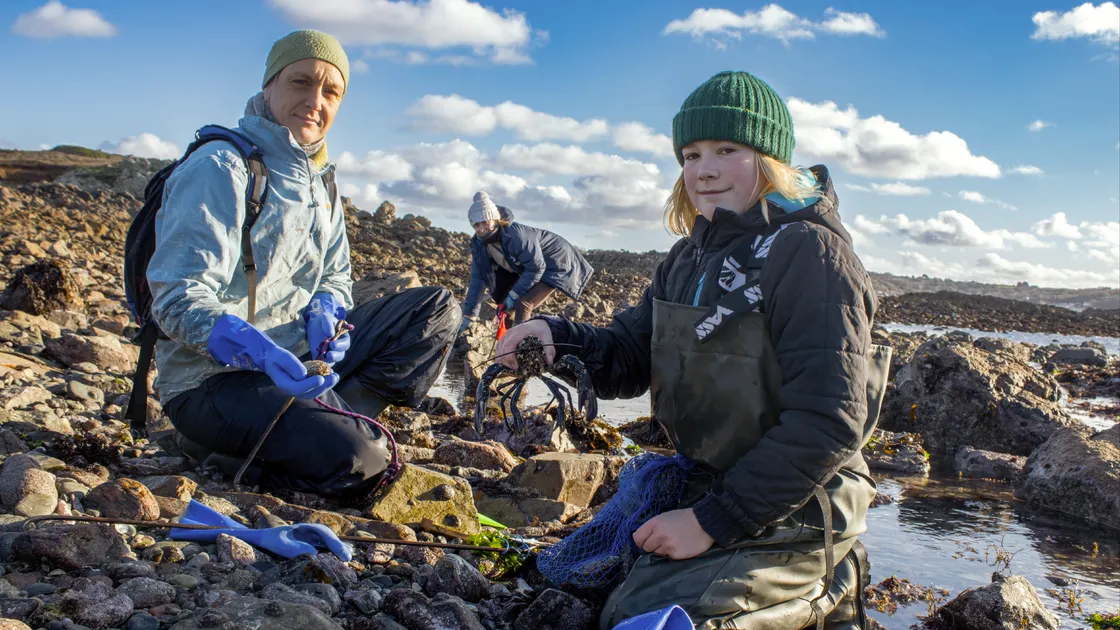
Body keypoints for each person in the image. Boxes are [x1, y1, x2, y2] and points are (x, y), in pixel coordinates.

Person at [495, 71, 891, 630]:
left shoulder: (811, 254)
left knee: (647, 616)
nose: (704, 169)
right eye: (691, 153)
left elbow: (829, 422)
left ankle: (830, 581)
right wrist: (555, 340)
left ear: (770, 158)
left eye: (728, 150)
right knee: (579, 587)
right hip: (710, 479)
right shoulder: (686, 258)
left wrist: (711, 521)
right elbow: (629, 354)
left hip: (801, 499)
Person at [146, 30, 460, 499]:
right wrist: (255, 349)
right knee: (366, 464)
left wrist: (327, 312)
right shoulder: (222, 167)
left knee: (436, 310)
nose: (315, 101)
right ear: (269, 85)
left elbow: (337, 275)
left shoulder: (322, 183)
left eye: (331, 92)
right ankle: (211, 448)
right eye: (301, 82)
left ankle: (335, 417)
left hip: (298, 362)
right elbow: (175, 298)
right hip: (211, 380)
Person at [458, 191, 594, 334]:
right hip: (531, 267)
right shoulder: (479, 245)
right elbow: (478, 279)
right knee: (507, 310)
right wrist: (469, 315)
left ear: (495, 219)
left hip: (557, 262)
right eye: (476, 225)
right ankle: (507, 348)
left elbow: (536, 268)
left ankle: (521, 348)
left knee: (523, 304)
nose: (480, 229)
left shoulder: (516, 235)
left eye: (485, 222)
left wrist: (513, 296)